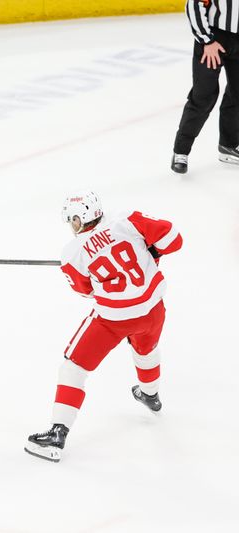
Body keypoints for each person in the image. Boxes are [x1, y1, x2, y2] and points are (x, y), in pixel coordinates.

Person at [24, 192, 182, 462]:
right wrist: (151, 251)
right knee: (146, 349)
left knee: (73, 367)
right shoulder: (128, 220)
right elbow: (174, 239)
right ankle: (150, 395)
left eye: (72, 220)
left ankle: (58, 433)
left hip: (113, 319)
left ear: (80, 218)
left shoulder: (72, 253)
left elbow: (86, 291)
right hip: (153, 310)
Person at [171, 0, 239, 174]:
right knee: (204, 95)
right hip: (213, 37)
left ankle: (228, 145)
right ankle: (181, 151)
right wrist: (206, 40)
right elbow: (194, 4)